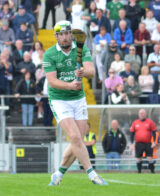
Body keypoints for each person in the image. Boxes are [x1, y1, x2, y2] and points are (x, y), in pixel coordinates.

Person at [43, 20, 107, 185]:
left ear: (71, 34)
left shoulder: (81, 48)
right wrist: (70, 85)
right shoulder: (49, 54)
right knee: (74, 136)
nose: (64, 37)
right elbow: (52, 81)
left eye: (67, 33)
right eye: (61, 34)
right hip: (59, 99)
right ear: (56, 36)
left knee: (77, 139)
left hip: (78, 99)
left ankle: (58, 174)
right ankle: (92, 174)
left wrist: (83, 71)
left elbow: (92, 72)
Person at [130, 109, 157, 173]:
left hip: (148, 143)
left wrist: (154, 142)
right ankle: (139, 172)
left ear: (146, 114)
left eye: (143, 113)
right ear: (138, 115)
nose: (142, 114)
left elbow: (155, 132)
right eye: (140, 113)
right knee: (139, 158)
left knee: (149, 158)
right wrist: (131, 143)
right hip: (139, 143)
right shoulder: (135, 122)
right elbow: (132, 133)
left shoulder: (150, 122)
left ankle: (152, 172)